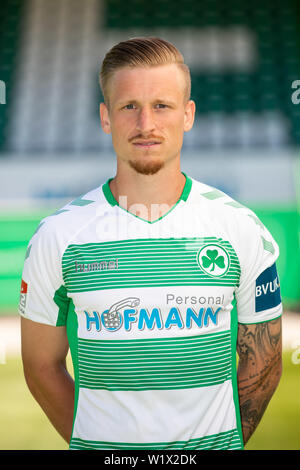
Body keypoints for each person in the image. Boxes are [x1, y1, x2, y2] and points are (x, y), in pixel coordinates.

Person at [20, 37, 282, 450]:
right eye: (129, 107)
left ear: (188, 114)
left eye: (161, 105)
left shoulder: (239, 228)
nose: (146, 124)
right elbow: (40, 365)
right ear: (106, 117)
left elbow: (264, 361)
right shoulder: (58, 235)